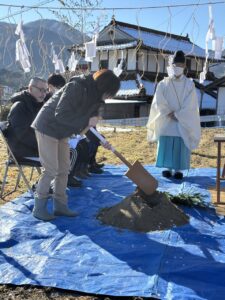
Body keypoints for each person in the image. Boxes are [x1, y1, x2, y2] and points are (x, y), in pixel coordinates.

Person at [31, 69, 120, 221]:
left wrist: (100, 140)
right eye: (108, 93)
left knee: (64, 169)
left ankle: (60, 205)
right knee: (51, 169)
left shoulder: (96, 97)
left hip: (62, 131)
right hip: (48, 126)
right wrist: (87, 121)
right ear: (102, 87)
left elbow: (87, 126)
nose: (108, 97)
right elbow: (61, 113)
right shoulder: (77, 86)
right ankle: (39, 207)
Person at [146, 50, 201, 180]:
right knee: (166, 142)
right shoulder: (163, 83)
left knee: (180, 143)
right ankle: (167, 167)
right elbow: (159, 100)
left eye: (181, 66)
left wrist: (179, 115)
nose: (178, 68)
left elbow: (191, 103)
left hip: (181, 121)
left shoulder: (189, 84)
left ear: (185, 67)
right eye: (176, 65)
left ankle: (178, 169)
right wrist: (167, 112)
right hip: (167, 119)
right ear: (171, 66)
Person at [6, 77, 48, 160]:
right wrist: (45, 145)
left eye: (46, 90)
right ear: (31, 88)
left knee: (67, 150)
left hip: (32, 147)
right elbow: (23, 135)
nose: (44, 94)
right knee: (62, 155)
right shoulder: (19, 106)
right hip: (20, 150)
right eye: (41, 90)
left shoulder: (37, 104)